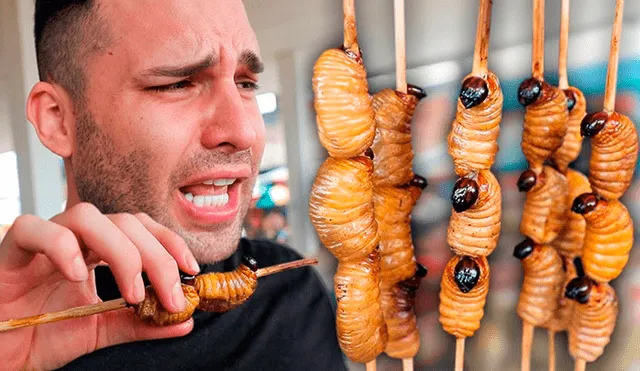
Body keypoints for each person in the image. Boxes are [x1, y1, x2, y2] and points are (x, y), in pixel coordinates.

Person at [0, 1, 347, 370]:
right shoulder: (16, 332)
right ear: (58, 120)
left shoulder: (292, 293)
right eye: (177, 83)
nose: (243, 132)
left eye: (245, 83)